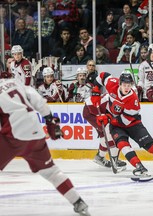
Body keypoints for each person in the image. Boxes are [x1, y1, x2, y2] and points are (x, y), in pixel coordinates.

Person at [0, 77, 90, 215]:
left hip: (14, 136)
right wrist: (50, 121)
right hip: (36, 133)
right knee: (51, 172)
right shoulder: (14, 82)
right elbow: (37, 99)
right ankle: (78, 202)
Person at [91, 71, 153, 177]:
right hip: (116, 126)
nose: (126, 88)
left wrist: (108, 117)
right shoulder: (112, 83)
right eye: (124, 85)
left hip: (133, 124)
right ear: (119, 83)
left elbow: (126, 120)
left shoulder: (133, 100)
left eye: (129, 85)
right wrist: (95, 90)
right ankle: (139, 167)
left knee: (152, 146)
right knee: (123, 145)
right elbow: (103, 75)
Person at [83, 94, 127, 170]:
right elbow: (93, 105)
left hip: (99, 111)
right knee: (110, 134)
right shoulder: (110, 100)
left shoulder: (120, 100)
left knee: (106, 135)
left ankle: (100, 157)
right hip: (91, 112)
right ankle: (114, 159)